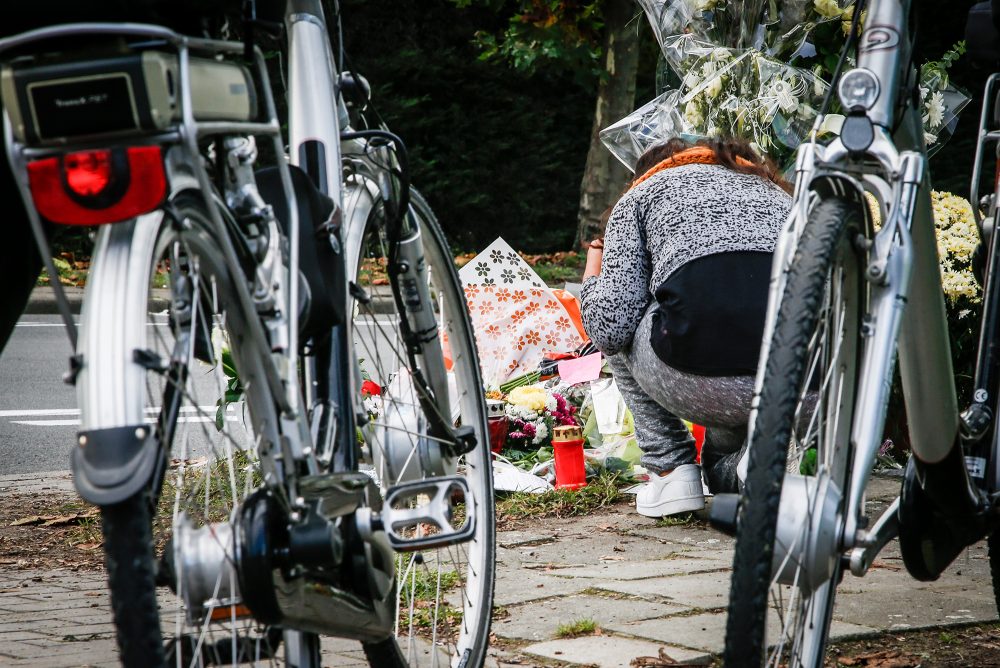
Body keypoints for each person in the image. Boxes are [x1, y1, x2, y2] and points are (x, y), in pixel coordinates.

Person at [580, 136, 792, 518]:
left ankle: (670, 469)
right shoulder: (780, 195)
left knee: (621, 314)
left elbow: (608, 324)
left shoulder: (642, 194)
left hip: (701, 379)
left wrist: (594, 265)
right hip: (801, 386)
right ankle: (758, 460)